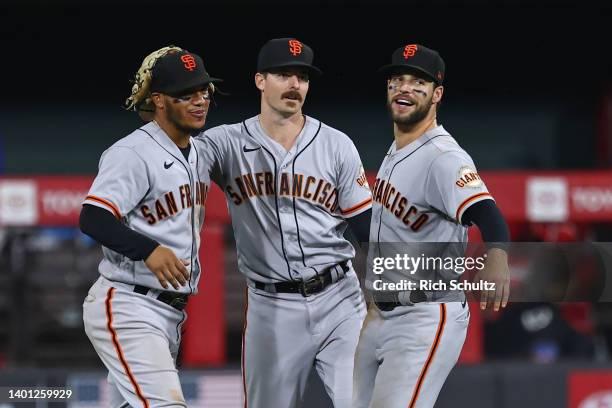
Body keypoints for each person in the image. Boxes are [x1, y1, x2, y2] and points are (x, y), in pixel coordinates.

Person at [195, 37, 371, 408]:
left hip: (341, 300)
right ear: (260, 80)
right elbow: (175, 162)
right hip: (271, 307)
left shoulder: (336, 145)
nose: (295, 85)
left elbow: (367, 226)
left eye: (302, 77)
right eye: (283, 74)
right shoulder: (224, 143)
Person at [352, 44, 510, 408]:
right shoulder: (398, 148)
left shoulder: (443, 157)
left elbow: (488, 214)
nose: (404, 87)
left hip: (424, 316)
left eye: (418, 82)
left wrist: (498, 254)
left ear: (437, 94)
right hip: (379, 312)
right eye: (397, 79)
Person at [80, 46, 221, 407]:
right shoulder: (133, 153)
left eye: (203, 91)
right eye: (185, 94)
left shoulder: (201, 152)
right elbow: (93, 217)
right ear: (158, 100)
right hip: (129, 303)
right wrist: (149, 250)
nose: (198, 101)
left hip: (169, 313)